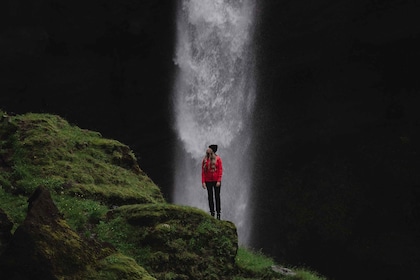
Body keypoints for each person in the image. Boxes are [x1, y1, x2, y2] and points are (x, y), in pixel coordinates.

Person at [201, 144, 223, 220]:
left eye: (209, 148)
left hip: (216, 181)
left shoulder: (218, 159)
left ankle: (218, 213)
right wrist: (203, 182)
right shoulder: (204, 159)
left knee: (217, 197)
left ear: (212, 150)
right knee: (210, 196)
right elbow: (203, 172)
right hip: (208, 181)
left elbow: (220, 170)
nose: (207, 149)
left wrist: (219, 181)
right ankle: (212, 213)